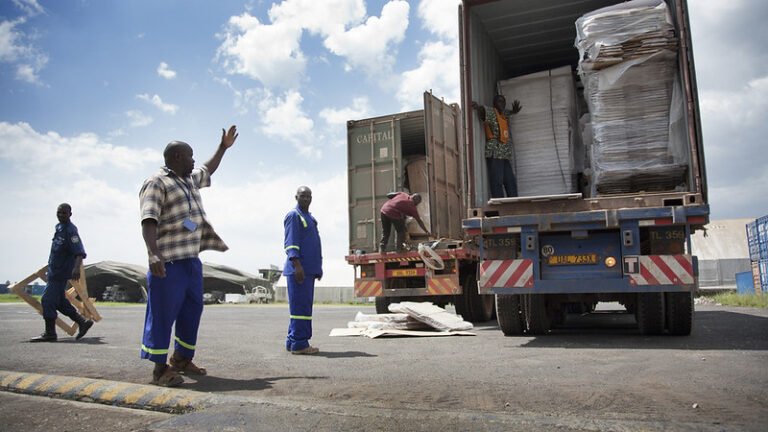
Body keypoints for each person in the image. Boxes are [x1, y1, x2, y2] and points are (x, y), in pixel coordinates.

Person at [138, 125, 238, 387]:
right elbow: (149, 220)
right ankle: (160, 370)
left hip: (191, 260)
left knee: (192, 310)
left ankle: (181, 359)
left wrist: (223, 148)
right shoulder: (157, 183)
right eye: (190, 156)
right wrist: (153, 254)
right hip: (168, 261)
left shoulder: (188, 180)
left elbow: (208, 168)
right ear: (177, 157)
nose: (194, 160)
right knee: (162, 313)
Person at [30, 203, 94, 342]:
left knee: (47, 300)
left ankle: (50, 333)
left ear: (70, 214)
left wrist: (76, 268)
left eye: (64, 213)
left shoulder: (71, 231)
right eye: (59, 212)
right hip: (54, 271)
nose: (61, 215)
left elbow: (79, 252)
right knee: (60, 303)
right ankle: (83, 322)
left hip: (60, 273)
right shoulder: (59, 228)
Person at [283, 186, 323, 355]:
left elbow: (314, 245)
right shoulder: (294, 216)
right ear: (296, 197)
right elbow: (291, 243)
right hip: (299, 270)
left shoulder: (310, 218)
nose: (306, 199)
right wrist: (297, 265)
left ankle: (292, 341)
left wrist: (318, 268)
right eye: (302, 196)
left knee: (302, 307)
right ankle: (300, 344)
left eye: (308, 196)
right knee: (301, 309)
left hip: (309, 270)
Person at [472, 94, 523, 198]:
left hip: (504, 154)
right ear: (494, 103)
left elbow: (509, 113)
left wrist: (514, 111)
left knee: (510, 181)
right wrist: (478, 107)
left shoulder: (504, 114)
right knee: (497, 181)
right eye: (499, 101)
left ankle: (514, 204)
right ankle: (500, 204)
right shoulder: (491, 112)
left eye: (504, 102)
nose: (502, 104)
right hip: (495, 153)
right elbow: (483, 112)